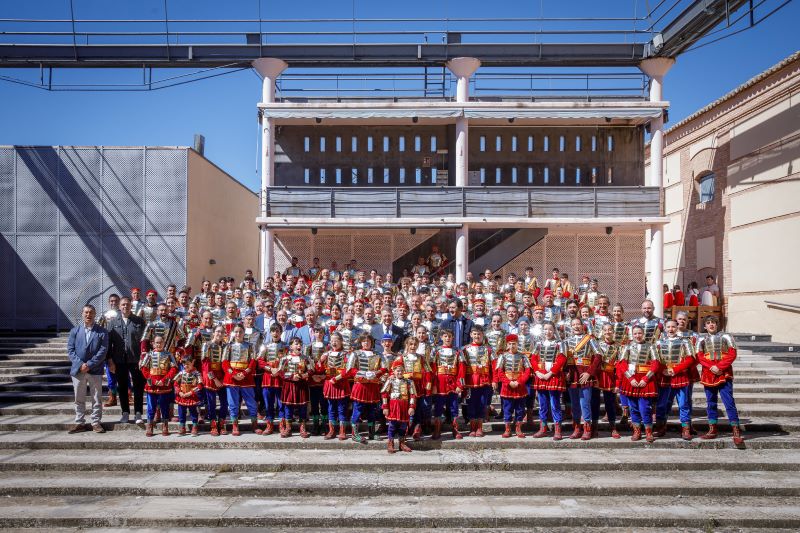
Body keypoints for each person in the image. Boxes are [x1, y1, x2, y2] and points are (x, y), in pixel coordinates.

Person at [696, 316, 744, 447]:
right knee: (711, 402)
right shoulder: (701, 339)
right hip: (708, 372)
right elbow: (699, 356)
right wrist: (711, 366)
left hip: (724, 372)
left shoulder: (727, 336)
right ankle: (712, 429)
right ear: (705, 326)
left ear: (717, 325)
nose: (711, 325)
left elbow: (732, 354)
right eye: (708, 323)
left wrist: (720, 367)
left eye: (713, 323)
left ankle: (736, 430)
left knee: (728, 402)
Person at [67, 304, 109, 434]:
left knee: (96, 397)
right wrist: (80, 364)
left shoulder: (102, 332)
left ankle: (96, 422)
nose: (88, 315)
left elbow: (103, 351)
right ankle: (79, 422)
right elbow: (70, 350)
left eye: (91, 312)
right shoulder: (75, 331)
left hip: (94, 370)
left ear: (94, 315)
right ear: (82, 314)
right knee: (79, 398)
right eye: (86, 312)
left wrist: (89, 364)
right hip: (78, 370)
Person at [616, 325, 660, 443]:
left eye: (639, 333)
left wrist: (646, 378)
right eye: (635, 333)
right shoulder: (628, 346)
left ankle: (648, 431)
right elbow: (622, 363)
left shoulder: (651, 346)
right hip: (632, 380)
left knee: (645, 407)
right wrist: (630, 378)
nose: (637, 336)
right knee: (633, 407)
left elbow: (656, 364)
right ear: (632, 334)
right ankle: (637, 431)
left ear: (643, 333)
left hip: (645, 380)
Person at [106, 297, 146, 424]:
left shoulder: (139, 321)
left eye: (127, 304)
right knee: (122, 387)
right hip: (119, 360)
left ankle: (138, 413)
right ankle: (125, 413)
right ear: (119, 306)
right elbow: (108, 343)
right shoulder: (113, 322)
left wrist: (143, 358)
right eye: (123, 304)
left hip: (136, 359)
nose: (125, 307)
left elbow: (144, 342)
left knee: (138, 387)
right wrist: (110, 360)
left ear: (131, 306)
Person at [654, 319, 696, 440]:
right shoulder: (658, 342)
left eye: (673, 327)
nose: (671, 329)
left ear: (677, 327)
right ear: (665, 328)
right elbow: (656, 359)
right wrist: (663, 370)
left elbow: (690, 359)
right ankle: (661, 427)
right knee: (662, 404)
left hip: (680, 376)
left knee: (683, 403)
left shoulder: (685, 341)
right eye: (668, 327)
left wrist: (676, 369)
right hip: (664, 376)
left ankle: (685, 429)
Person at [347, 333, 386, 443]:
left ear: (372, 342)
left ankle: (372, 433)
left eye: (368, 341)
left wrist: (376, 373)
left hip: (373, 385)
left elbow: (385, 368)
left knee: (372, 411)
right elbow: (350, 369)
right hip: (361, 385)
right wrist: (362, 373)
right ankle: (355, 434)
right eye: (364, 341)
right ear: (361, 342)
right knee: (358, 409)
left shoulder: (378, 354)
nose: (366, 343)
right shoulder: (355, 354)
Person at [530, 323, 566, 440]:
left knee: (555, 403)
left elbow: (562, 359)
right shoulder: (538, 344)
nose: (547, 332)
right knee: (543, 404)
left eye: (550, 329)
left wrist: (551, 373)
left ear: (554, 331)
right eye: (545, 329)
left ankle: (557, 429)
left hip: (553, 376)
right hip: (541, 376)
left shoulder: (560, 344)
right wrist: (537, 372)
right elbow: (533, 358)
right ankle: (543, 428)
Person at [222, 325, 260, 436]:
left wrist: (244, 373)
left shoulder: (250, 346)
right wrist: (233, 374)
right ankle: (235, 425)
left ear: (244, 333)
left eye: (240, 332)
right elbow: (224, 362)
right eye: (236, 332)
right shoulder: (228, 346)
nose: (238, 334)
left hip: (246, 377)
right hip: (231, 377)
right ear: (233, 333)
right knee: (233, 403)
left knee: (251, 402)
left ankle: (254, 424)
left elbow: (253, 361)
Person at [431, 329, 466, 440]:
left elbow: (462, 370)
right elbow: (432, 369)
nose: (447, 338)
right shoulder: (436, 351)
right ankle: (437, 429)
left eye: (450, 336)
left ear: (453, 337)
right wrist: (434, 385)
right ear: (441, 337)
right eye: (445, 336)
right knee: (438, 407)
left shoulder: (458, 351)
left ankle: (455, 429)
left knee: (454, 407)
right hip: (440, 383)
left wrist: (460, 385)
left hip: (453, 383)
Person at [139, 335, 178, 437]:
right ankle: (150, 425)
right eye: (157, 342)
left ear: (164, 343)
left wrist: (164, 380)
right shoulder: (149, 355)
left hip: (164, 384)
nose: (159, 344)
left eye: (161, 342)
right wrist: (153, 380)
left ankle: (165, 425)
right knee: (151, 406)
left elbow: (173, 369)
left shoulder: (169, 355)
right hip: (152, 384)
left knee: (164, 405)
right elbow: (144, 369)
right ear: (153, 343)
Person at [495, 334, 531, 439]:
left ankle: (518, 428)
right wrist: (508, 382)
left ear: (517, 344)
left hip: (520, 386)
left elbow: (527, 371)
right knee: (507, 408)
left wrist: (520, 381)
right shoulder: (503, 356)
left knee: (520, 408)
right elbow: (500, 372)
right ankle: (507, 429)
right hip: (507, 386)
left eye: (514, 344)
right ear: (507, 344)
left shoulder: (523, 356)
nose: (512, 346)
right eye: (510, 344)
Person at [278, 337, 314, 438]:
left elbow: (311, 371)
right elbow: (281, 372)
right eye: (296, 344)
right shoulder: (285, 358)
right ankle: (288, 428)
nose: (298, 346)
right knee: (288, 407)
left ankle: (302, 428)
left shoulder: (305, 358)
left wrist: (303, 375)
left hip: (301, 385)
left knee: (303, 407)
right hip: (289, 385)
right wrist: (291, 377)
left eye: (300, 344)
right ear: (291, 346)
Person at [462, 326, 493, 438]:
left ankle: (479, 427)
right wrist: (462, 382)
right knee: (471, 404)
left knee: (482, 403)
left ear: (482, 335)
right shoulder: (464, 349)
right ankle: (472, 427)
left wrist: (494, 381)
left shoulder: (488, 349)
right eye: (475, 334)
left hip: (484, 380)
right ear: (471, 335)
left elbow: (493, 367)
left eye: (479, 334)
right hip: (470, 381)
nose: (477, 336)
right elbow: (462, 368)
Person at [320, 332, 351, 440]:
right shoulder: (327, 354)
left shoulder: (346, 354)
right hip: (330, 384)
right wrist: (321, 361)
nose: (334, 342)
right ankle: (331, 430)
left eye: (336, 340)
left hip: (341, 383)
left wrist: (336, 378)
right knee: (331, 408)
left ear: (341, 341)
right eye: (332, 340)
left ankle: (342, 431)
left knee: (342, 408)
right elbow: (320, 368)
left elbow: (348, 370)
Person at [381, 360, 417, 453]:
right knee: (392, 425)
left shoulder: (409, 382)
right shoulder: (390, 381)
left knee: (403, 425)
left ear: (404, 371)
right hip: (393, 405)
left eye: (401, 370)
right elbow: (384, 393)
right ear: (394, 372)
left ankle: (402, 443)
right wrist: (385, 406)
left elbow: (413, 395)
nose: (399, 372)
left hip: (404, 406)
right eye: (397, 371)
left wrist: (412, 406)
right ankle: (391, 443)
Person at [257, 323, 286, 435]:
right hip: (268, 378)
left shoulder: (285, 346)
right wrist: (270, 368)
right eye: (273, 331)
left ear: (281, 332)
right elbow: (259, 361)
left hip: (280, 378)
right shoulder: (265, 346)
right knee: (268, 403)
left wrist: (278, 370)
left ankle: (282, 425)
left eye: (277, 330)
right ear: (270, 333)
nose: (275, 333)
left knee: (281, 403)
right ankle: (269, 426)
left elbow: (287, 361)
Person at [201, 326, 229, 436]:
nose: (219, 333)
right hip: (210, 376)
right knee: (211, 402)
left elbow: (226, 363)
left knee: (224, 402)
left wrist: (222, 378)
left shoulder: (226, 346)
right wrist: (215, 379)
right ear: (213, 333)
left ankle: (221, 423)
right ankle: (213, 424)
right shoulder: (206, 345)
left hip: (222, 376)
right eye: (217, 331)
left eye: (222, 332)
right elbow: (206, 365)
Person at [174, 354, 204, 436]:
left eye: (187, 364)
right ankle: (182, 426)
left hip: (192, 395)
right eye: (184, 364)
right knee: (181, 411)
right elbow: (176, 384)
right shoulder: (181, 373)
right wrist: (179, 392)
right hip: (182, 395)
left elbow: (200, 386)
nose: (185, 366)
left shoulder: (197, 374)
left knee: (193, 411)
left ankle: (194, 425)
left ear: (192, 363)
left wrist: (191, 392)